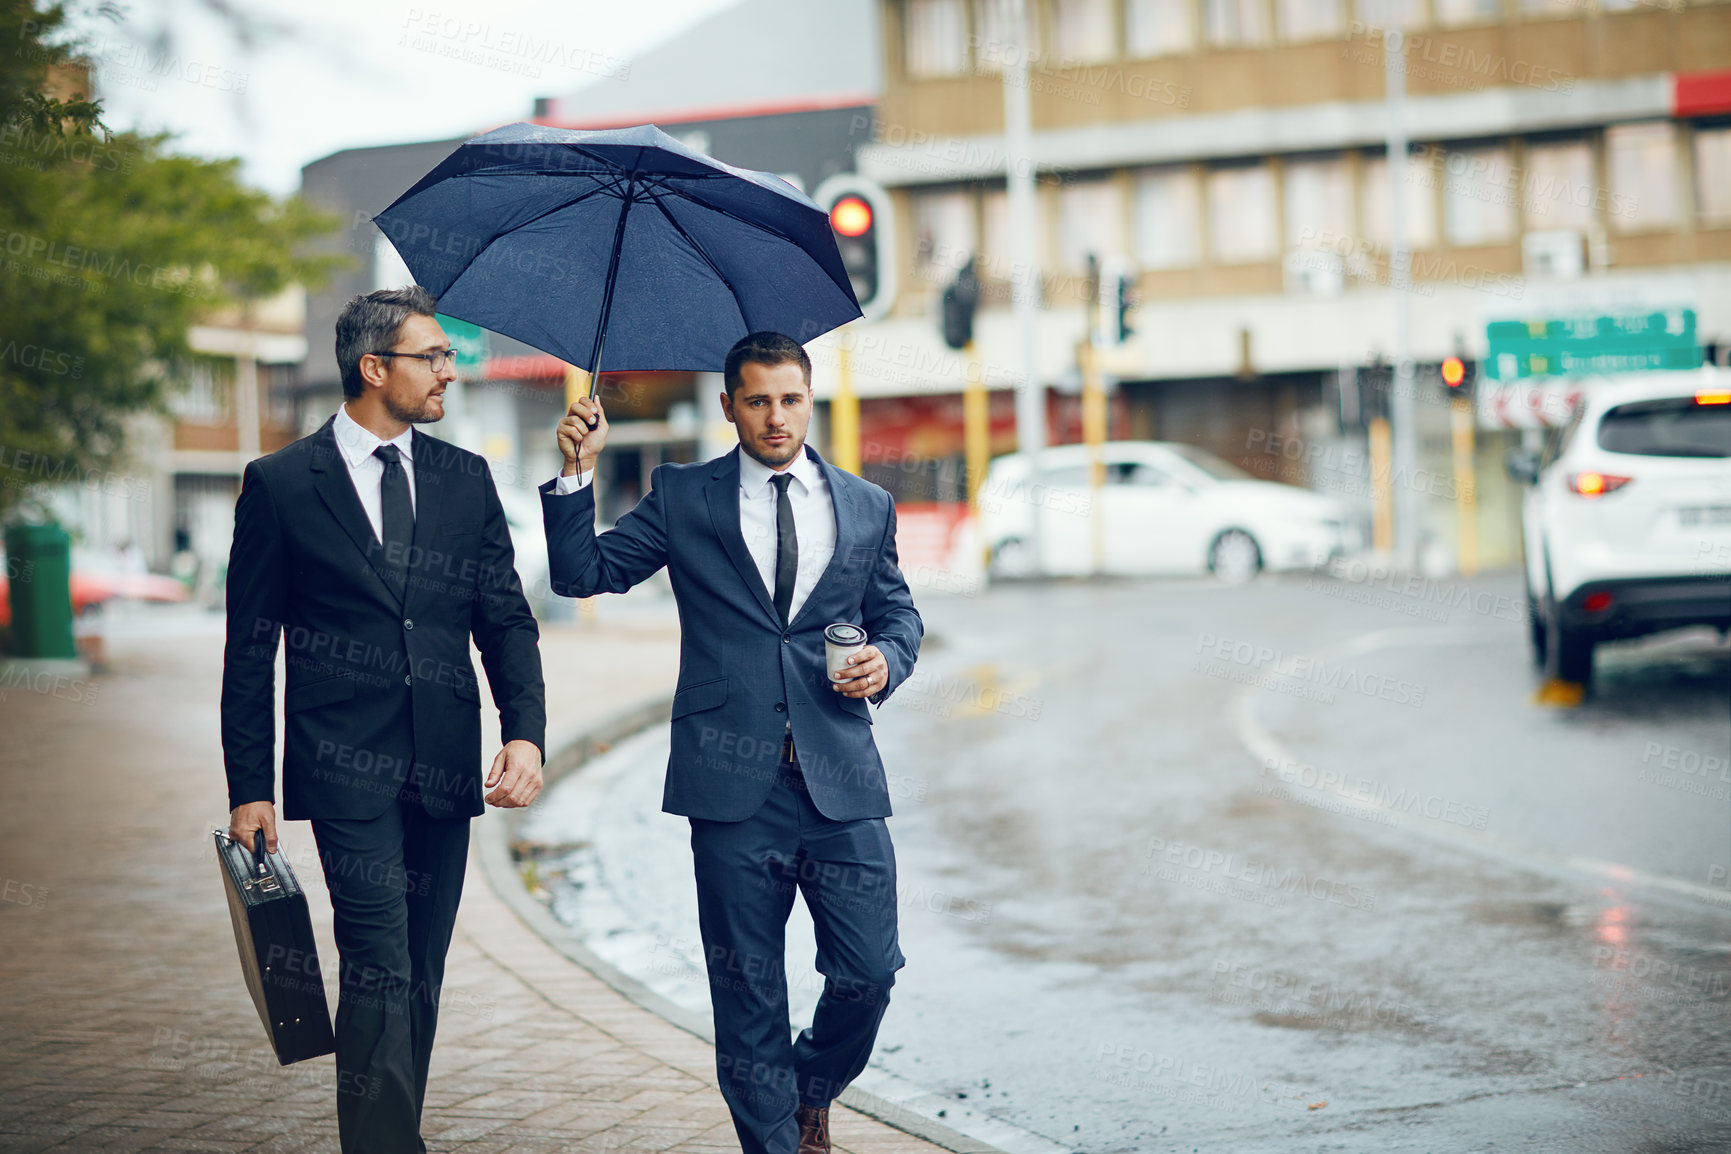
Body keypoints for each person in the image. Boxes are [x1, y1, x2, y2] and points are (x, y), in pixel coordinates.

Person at [541, 331, 923, 1154]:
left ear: (808, 400)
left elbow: (899, 615)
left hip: (839, 779)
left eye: (788, 399)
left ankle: (810, 1089)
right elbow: (584, 575)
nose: (774, 417)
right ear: (728, 407)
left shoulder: (864, 504)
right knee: (747, 995)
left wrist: (882, 661)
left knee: (867, 973)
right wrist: (576, 472)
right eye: (756, 400)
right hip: (730, 785)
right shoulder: (687, 497)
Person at [222, 285, 547, 1154]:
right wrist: (248, 787)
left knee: (422, 974)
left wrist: (524, 730)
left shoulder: (466, 480)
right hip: (342, 767)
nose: (449, 370)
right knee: (378, 962)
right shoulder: (283, 485)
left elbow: (505, 619)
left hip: (445, 762)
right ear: (374, 368)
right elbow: (249, 649)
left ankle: (388, 1130)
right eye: (432, 356)